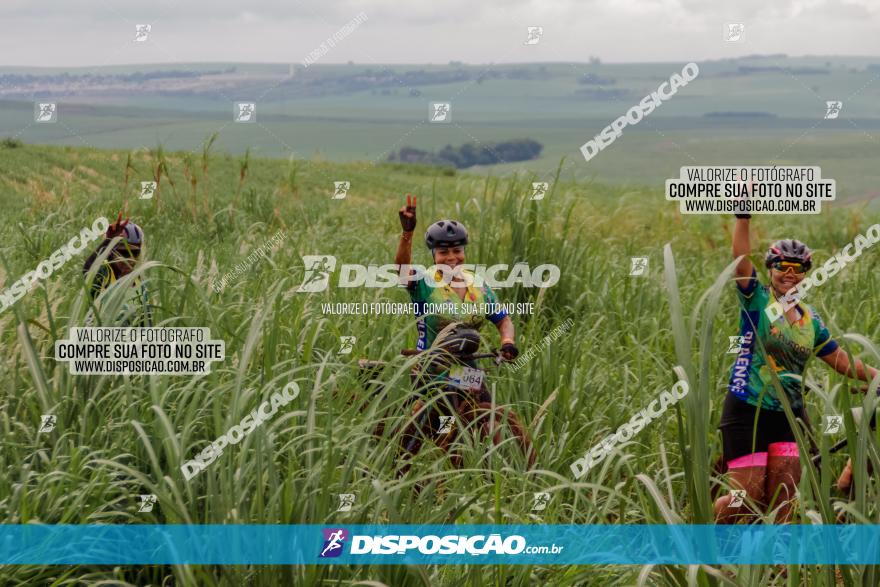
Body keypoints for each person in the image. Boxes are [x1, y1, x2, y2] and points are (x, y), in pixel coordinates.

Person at [714, 212, 878, 523]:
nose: (790, 274)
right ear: (770, 269)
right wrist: (743, 215)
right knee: (745, 498)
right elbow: (739, 258)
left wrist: (876, 376)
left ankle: (777, 570)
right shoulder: (756, 300)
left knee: (784, 504)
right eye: (782, 267)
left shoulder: (809, 320)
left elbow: (840, 360)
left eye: (798, 268)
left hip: (787, 416)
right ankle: (705, 535)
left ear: (805, 273)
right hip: (747, 410)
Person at [394, 194, 518, 361]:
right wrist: (407, 233)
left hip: (469, 368)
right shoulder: (424, 282)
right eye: (443, 252)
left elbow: (503, 320)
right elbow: (402, 269)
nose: (451, 257)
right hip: (430, 368)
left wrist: (507, 342)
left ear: (464, 252)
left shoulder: (478, 284)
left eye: (457, 251)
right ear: (433, 255)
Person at [82, 212, 153, 327]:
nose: (130, 259)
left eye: (135, 252)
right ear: (111, 252)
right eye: (124, 253)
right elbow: (88, 271)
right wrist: (108, 242)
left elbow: (147, 323)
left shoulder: (140, 283)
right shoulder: (105, 274)